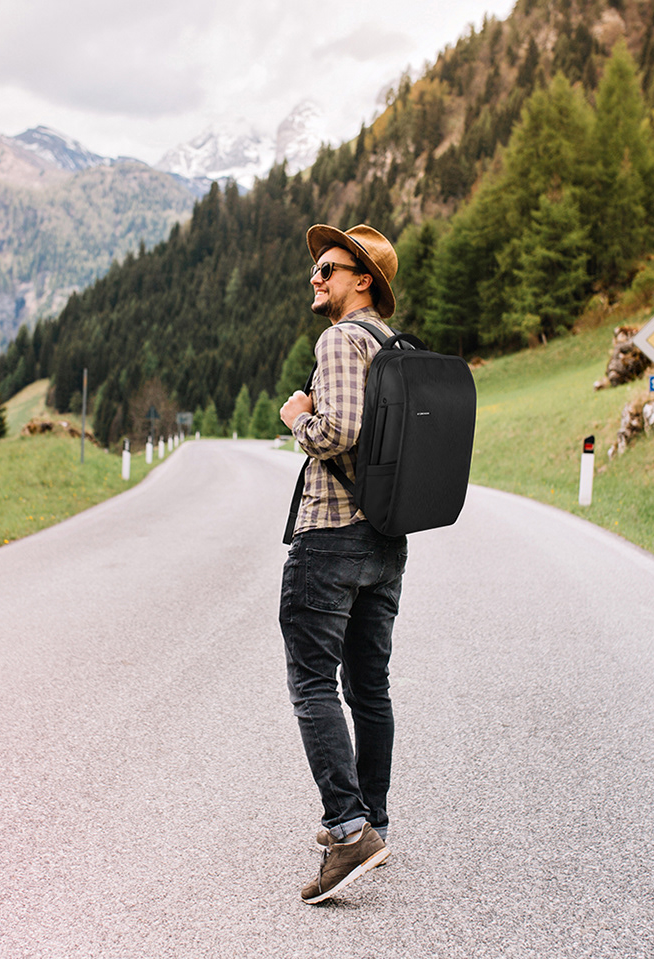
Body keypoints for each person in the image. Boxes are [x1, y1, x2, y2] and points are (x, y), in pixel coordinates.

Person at [276, 223, 404, 904]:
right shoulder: (392, 346)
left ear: (363, 281)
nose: (315, 277)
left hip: (331, 536)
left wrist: (298, 416)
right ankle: (372, 818)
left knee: (311, 683)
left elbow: (339, 431)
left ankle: (350, 829)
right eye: (317, 269)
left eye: (328, 268)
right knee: (369, 687)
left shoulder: (340, 340)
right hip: (386, 541)